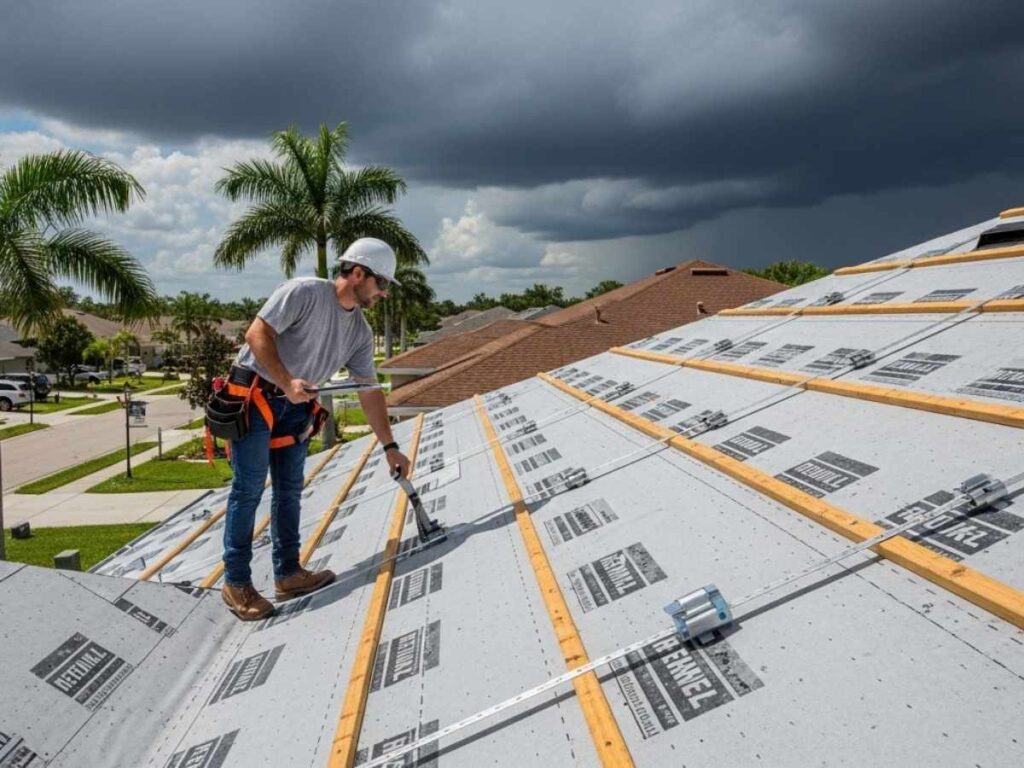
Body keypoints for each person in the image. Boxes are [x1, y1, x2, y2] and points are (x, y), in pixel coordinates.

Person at [219, 237, 411, 621]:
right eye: (381, 283)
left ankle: (288, 573)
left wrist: (390, 445)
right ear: (358, 273)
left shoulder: (358, 331)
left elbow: (369, 392)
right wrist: (288, 381)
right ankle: (236, 582)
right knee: (250, 488)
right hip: (256, 396)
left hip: (295, 408)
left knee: (290, 490)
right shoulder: (304, 292)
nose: (384, 293)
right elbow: (256, 335)